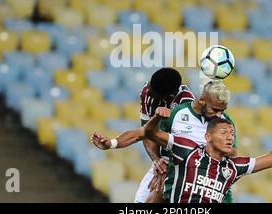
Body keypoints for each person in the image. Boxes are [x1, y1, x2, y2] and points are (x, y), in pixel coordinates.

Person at [91, 80, 239, 203]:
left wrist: (201, 152)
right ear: (201, 100)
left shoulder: (225, 123)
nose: (219, 115)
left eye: (223, 110)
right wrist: (110, 143)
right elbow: (142, 134)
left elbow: (233, 153)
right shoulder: (178, 114)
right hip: (168, 173)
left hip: (206, 182)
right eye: (215, 109)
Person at [143, 106, 272, 203]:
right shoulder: (187, 150)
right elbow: (150, 133)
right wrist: (157, 118)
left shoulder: (233, 167)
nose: (229, 137)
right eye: (224, 132)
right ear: (207, 136)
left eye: (232, 134)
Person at [105, 67, 195, 203]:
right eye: (149, 86)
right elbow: (147, 133)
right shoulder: (147, 91)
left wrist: (167, 171)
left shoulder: (186, 106)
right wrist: (157, 161)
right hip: (164, 158)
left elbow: (185, 148)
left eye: (152, 92)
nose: (147, 91)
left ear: (166, 97)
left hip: (184, 163)